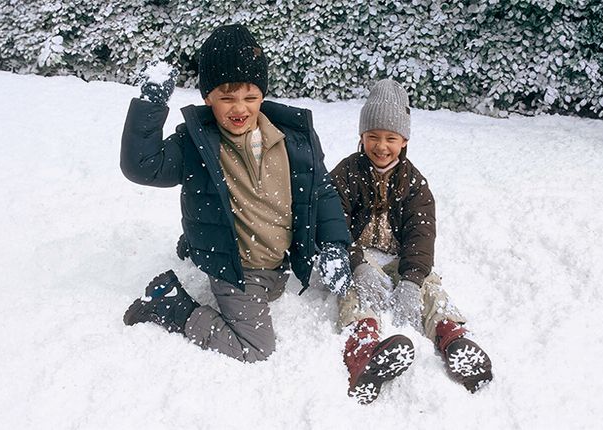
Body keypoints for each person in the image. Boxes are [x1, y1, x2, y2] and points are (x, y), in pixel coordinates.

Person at [119, 24, 352, 363]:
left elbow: (322, 190)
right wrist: (149, 104)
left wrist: (334, 244)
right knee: (255, 347)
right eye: (226, 98)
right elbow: (142, 166)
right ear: (207, 98)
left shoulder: (293, 139)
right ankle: (171, 305)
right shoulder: (195, 144)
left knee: (272, 291)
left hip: (275, 260)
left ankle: (203, 248)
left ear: (263, 95)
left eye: (250, 97)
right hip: (235, 264)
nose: (239, 108)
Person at [330, 79, 494, 404]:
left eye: (390, 138)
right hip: (361, 254)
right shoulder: (346, 173)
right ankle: (363, 347)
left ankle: (452, 335)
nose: (381, 146)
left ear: (404, 141)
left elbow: (421, 235)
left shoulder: (414, 184)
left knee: (430, 284)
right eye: (373, 136)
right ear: (361, 136)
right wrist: (356, 263)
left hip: (398, 256)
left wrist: (411, 280)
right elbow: (333, 224)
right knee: (352, 287)